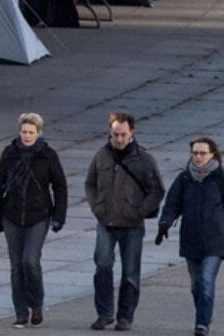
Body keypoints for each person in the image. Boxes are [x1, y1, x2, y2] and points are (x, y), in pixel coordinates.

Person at [155, 137, 224, 336]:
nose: (198, 157)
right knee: (196, 284)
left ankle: (202, 325)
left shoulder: (221, 179)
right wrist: (164, 223)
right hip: (191, 240)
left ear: (212, 155)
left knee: (206, 280)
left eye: (202, 153)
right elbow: (172, 203)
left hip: (214, 241)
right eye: (195, 153)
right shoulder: (184, 179)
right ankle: (205, 313)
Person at [0, 113, 68, 329]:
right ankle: (21, 313)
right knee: (16, 266)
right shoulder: (10, 153)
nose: (27, 136)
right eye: (24, 132)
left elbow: (60, 187)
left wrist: (59, 216)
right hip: (11, 215)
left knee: (30, 261)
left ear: (39, 133)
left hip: (38, 216)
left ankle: (36, 303)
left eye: (31, 132)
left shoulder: (48, 155)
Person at [85, 111, 165, 331]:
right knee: (102, 265)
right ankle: (104, 313)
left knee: (130, 273)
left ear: (132, 133)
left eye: (123, 134)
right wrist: (97, 206)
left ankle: (125, 316)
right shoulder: (101, 156)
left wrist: (139, 212)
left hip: (131, 225)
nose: (119, 139)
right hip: (106, 222)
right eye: (115, 134)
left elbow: (157, 190)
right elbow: (90, 183)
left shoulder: (144, 159)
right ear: (109, 133)